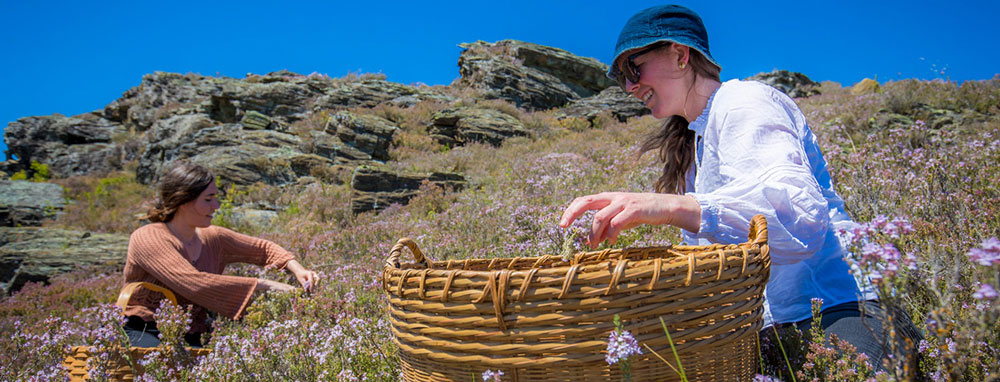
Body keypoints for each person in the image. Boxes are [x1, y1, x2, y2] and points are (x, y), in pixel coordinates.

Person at [559, 4, 919, 372]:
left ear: (680, 55)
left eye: (633, 68)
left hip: (838, 308)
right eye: (622, 78)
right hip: (771, 327)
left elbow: (800, 217)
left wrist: (672, 207)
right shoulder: (693, 147)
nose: (631, 86)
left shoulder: (743, 102)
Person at [122, 160, 318, 347]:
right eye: (208, 199)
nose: (215, 206)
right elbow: (193, 283)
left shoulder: (212, 237)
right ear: (183, 201)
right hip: (144, 328)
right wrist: (264, 285)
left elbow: (263, 248)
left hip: (193, 333)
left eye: (215, 198)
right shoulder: (147, 237)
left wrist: (298, 270)